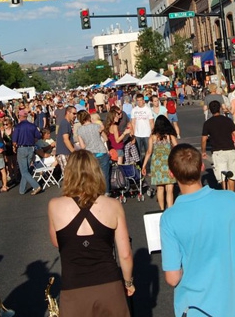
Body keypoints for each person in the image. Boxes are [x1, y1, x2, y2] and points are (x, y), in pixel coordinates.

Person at [160, 143, 235, 317]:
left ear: (171, 173)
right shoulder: (230, 199)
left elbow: (172, 278)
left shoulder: (169, 218)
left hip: (197, 309)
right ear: (202, 167)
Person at [47, 150, 134, 316]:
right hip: (109, 285)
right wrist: (128, 282)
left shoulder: (54, 205)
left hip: (73, 288)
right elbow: (125, 255)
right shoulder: (113, 205)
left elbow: (58, 242)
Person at [201, 100, 235, 191]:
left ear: (209, 110)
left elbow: (204, 140)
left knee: (222, 175)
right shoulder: (228, 120)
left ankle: (224, 192)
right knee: (231, 174)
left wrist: (203, 151)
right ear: (220, 109)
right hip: (230, 150)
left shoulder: (208, 123)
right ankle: (231, 193)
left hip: (218, 151)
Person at [142, 115, 177, 210]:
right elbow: (177, 148)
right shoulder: (169, 136)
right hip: (168, 163)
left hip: (156, 164)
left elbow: (149, 152)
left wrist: (144, 166)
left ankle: (161, 209)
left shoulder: (153, 137)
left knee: (160, 188)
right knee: (170, 189)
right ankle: (170, 209)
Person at [77, 110, 112, 195]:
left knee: (92, 175)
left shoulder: (79, 130)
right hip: (101, 152)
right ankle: (106, 193)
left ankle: (95, 193)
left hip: (90, 154)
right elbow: (106, 138)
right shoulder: (97, 126)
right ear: (89, 117)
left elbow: (82, 146)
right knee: (104, 175)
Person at [12, 109, 44, 196]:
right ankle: (22, 189)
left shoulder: (18, 127)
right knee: (26, 169)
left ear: (20, 116)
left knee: (24, 170)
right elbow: (38, 136)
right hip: (31, 148)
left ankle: (36, 186)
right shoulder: (32, 126)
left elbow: (14, 141)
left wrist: (14, 147)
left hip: (22, 148)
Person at [131, 93, 154, 160]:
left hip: (147, 134)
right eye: (138, 100)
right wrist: (133, 134)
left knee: (149, 152)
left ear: (143, 100)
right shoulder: (134, 110)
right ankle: (141, 168)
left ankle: (149, 168)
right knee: (138, 153)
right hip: (137, 134)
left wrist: (151, 133)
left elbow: (151, 122)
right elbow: (133, 123)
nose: (139, 102)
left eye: (140, 100)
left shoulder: (148, 110)